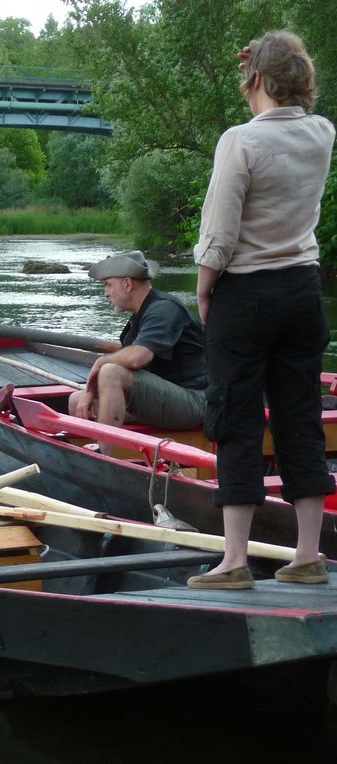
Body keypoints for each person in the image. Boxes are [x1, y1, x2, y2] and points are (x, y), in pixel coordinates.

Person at [187, 31, 336, 590]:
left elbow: (219, 233)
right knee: (300, 418)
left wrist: (205, 288)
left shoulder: (239, 142)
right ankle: (307, 554)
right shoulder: (322, 133)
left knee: (236, 420)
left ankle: (234, 561)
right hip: (302, 291)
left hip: (245, 294)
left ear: (255, 79)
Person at [68, 251, 207, 453]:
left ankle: (106, 460)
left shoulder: (163, 309)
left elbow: (139, 356)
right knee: (76, 400)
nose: (106, 293)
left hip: (194, 401)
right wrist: (90, 391)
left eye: (108, 285)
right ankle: (86, 458)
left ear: (127, 284)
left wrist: (101, 363)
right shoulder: (141, 315)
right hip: (167, 399)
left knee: (111, 372)